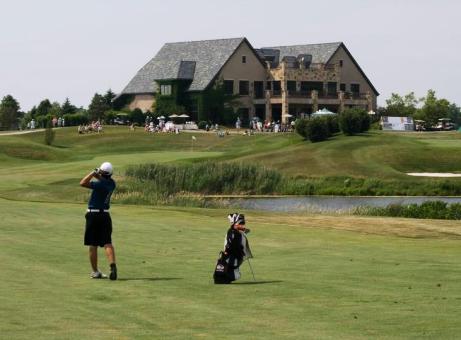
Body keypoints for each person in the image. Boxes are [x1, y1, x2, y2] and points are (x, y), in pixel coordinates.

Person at [80, 162, 117, 280]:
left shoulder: (99, 184)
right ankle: (113, 265)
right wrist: (99, 173)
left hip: (93, 215)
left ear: (101, 172)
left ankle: (95, 272)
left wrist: (93, 172)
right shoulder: (111, 183)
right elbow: (102, 178)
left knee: (93, 244)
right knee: (107, 242)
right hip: (105, 215)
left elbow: (82, 183)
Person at [213, 213, 253, 284]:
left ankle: (225, 277)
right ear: (235, 224)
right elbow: (230, 245)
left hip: (234, 256)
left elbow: (239, 229)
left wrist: (244, 229)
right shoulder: (233, 233)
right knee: (236, 275)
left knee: (231, 269)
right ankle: (226, 277)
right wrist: (227, 252)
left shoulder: (234, 231)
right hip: (233, 256)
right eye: (240, 223)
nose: (242, 225)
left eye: (242, 223)